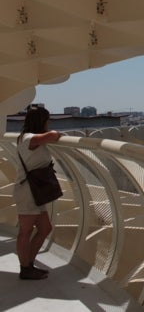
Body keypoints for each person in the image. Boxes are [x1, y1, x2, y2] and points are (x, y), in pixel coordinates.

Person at [13, 106, 61, 280]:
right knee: (25, 231)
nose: (49, 123)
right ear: (41, 121)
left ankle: (29, 264)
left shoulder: (27, 138)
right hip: (27, 191)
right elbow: (52, 136)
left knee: (45, 228)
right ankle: (25, 269)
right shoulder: (29, 138)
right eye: (47, 120)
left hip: (34, 191)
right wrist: (54, 133)